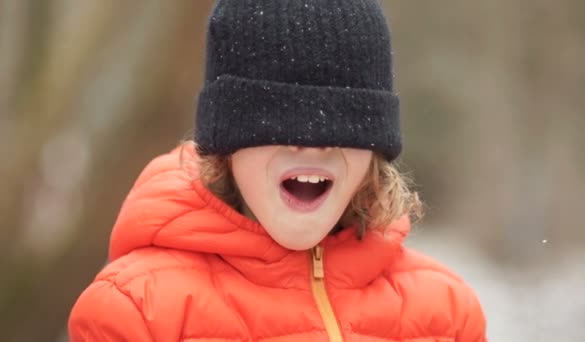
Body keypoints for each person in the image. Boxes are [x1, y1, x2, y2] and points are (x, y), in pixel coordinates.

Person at [69, 0, 487, 341]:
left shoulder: (446, 317)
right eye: (275, 115)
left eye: (341, 120)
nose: (309, 141)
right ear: (227, 140)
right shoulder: (136, 313)